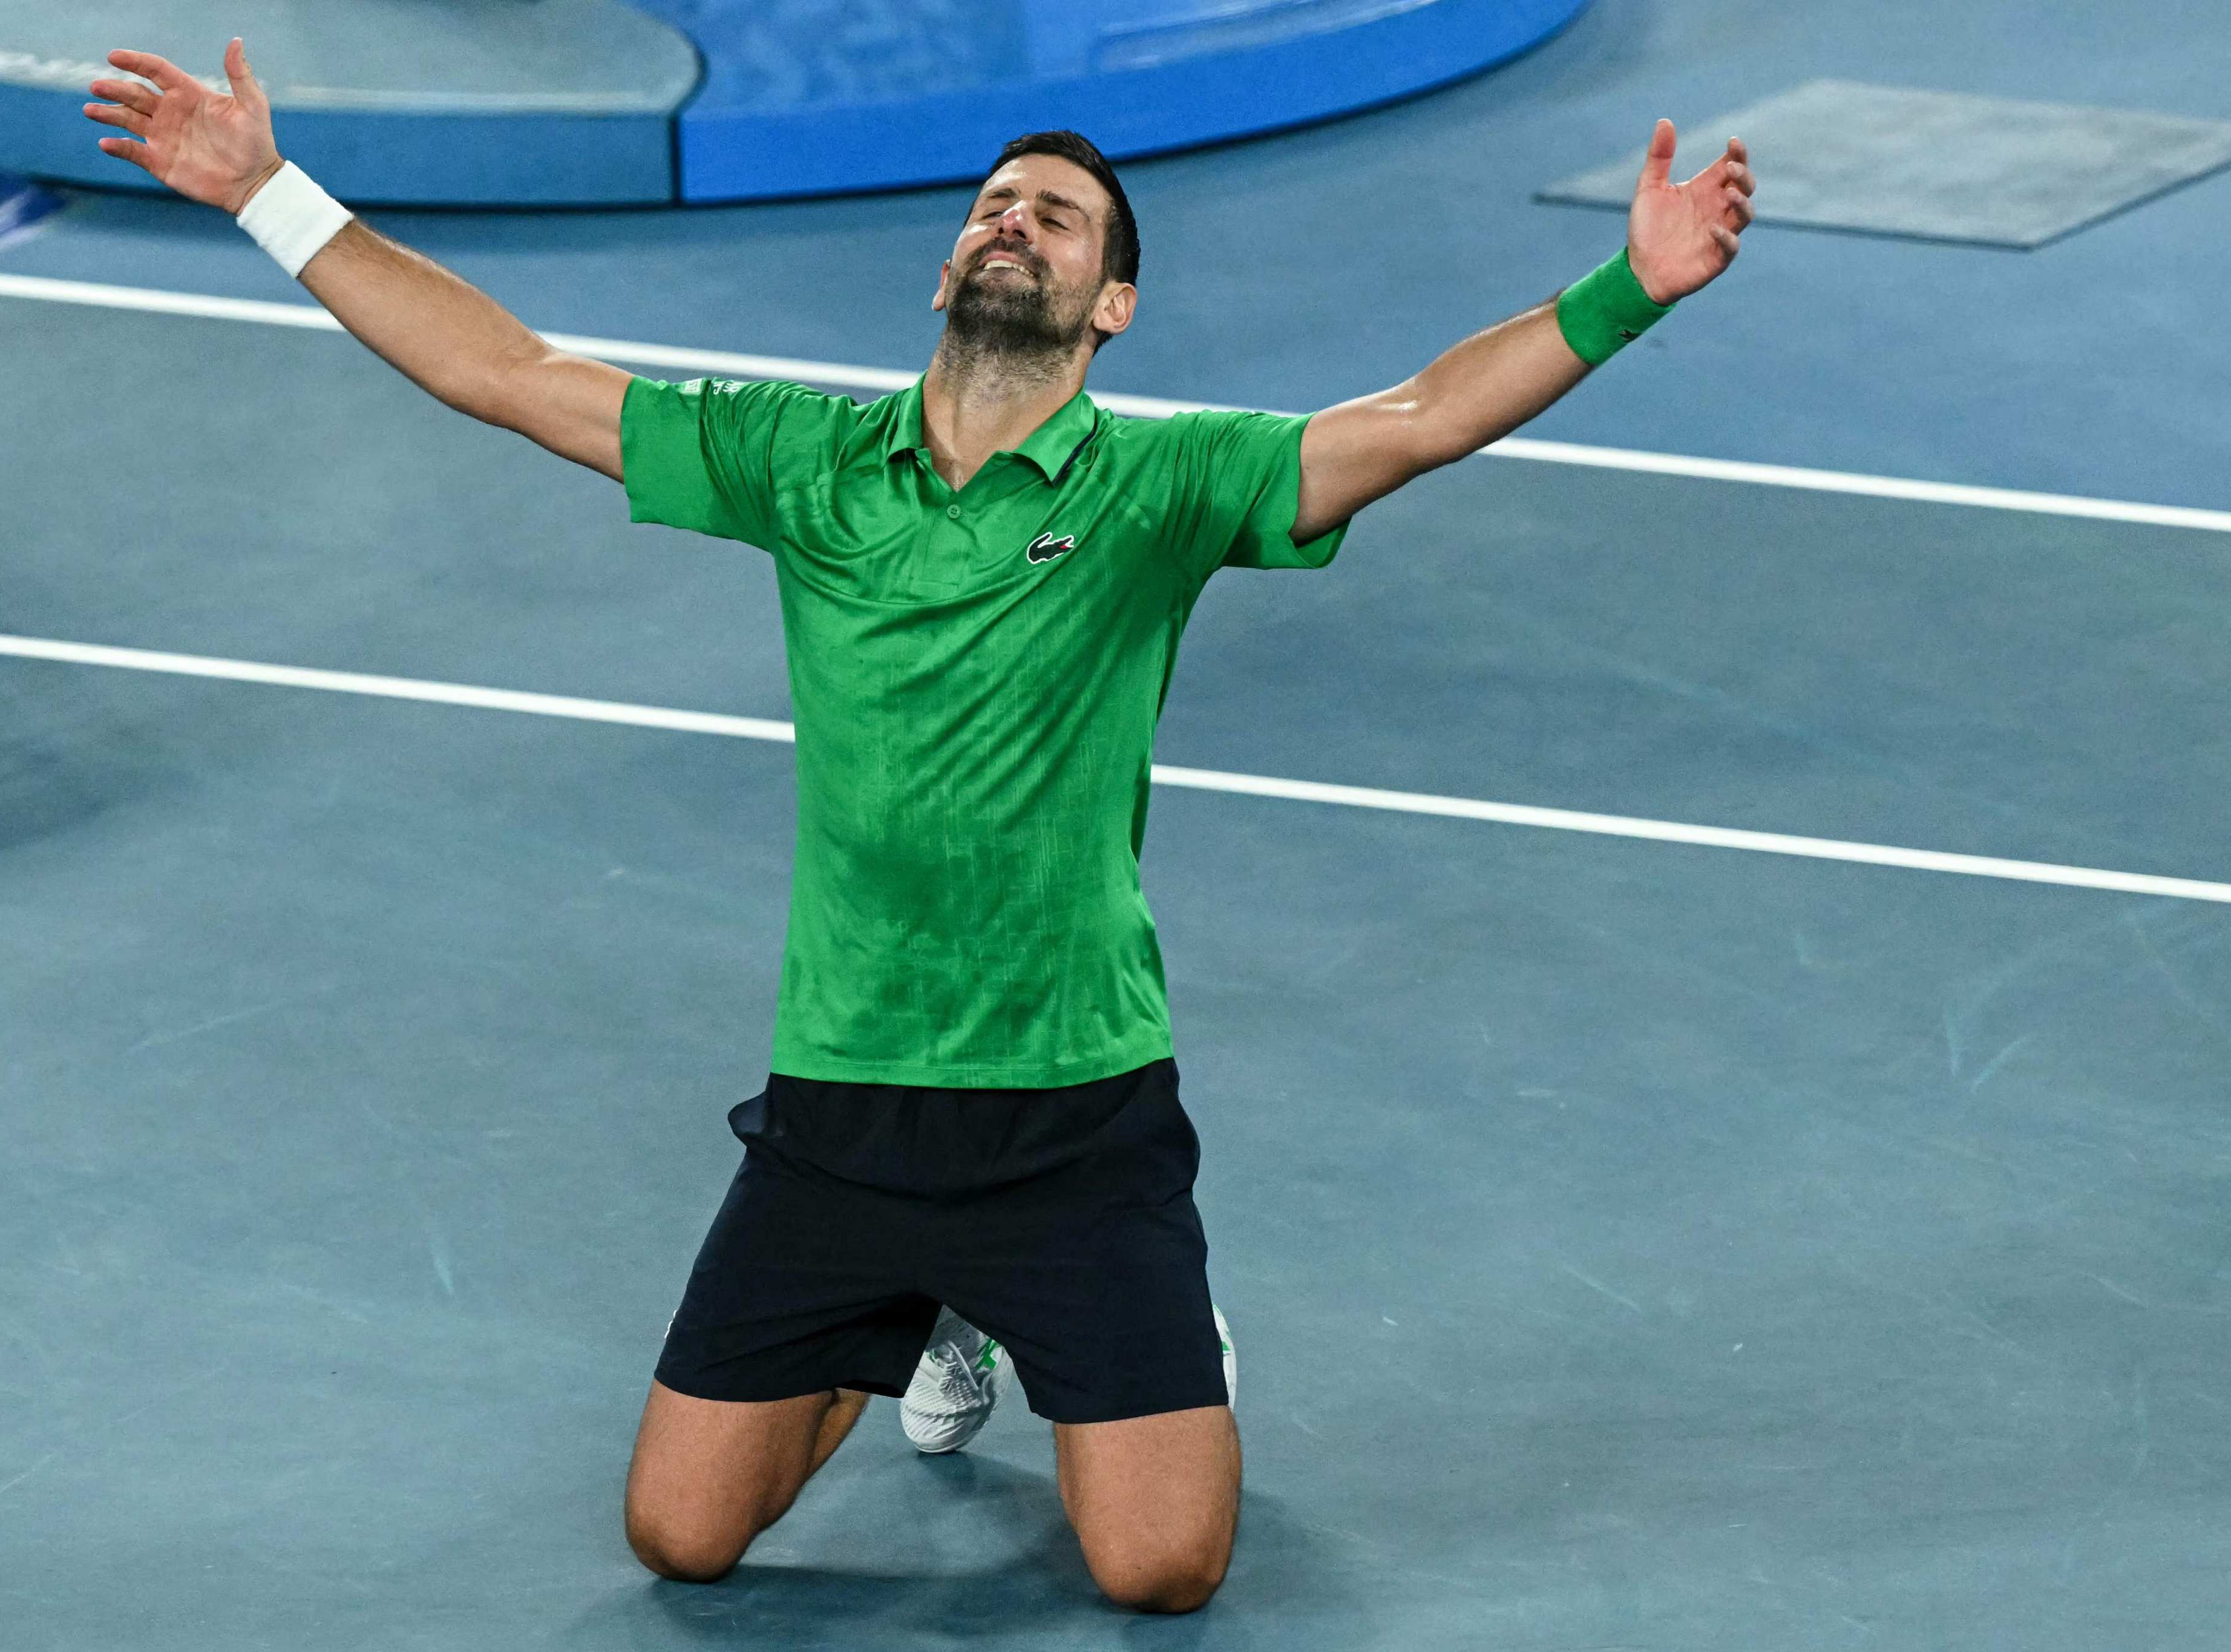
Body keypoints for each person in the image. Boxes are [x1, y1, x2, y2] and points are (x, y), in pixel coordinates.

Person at [85, 39, 1755, 1614]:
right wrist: (266, 193)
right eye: (992, 204)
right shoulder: (804, 464)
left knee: (1160, 1569)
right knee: (681, 1537)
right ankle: (929, 1318)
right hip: (846, 1102)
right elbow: (509, 374)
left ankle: (1060, 1311)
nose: (1007, 218)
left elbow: (1414, 420)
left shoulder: (1159, 488)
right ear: (951, 270)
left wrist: (1632, 291)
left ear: (1111, 304)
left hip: (1076, 1114)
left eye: (1056, 214)